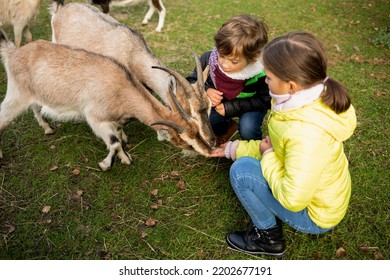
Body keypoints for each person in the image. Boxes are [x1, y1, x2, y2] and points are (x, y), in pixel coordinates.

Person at [210, 31, 357, 258]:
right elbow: (281, 149)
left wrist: (267, 156)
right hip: (322, 199)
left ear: (291, 86)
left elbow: (292, 198)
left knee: (241, 173)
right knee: (243, 162)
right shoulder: (306, 100)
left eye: (268, 77)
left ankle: (268, 238)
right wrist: (232, 148)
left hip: (313, 214)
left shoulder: (305, 133)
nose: (265, 80)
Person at [187, 14, 271, 145]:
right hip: (220, 106)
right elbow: (190, 81)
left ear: (253, 57)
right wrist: (206, 90)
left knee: (248, 128)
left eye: (234, 61)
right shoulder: (209, 59)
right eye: (221, 55)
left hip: (249, 106)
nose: (224, 64)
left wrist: (231, 107)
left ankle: (254, 149)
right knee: (207, 121)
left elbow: (266, 100)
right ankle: (227, 128)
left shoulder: (260, 74)